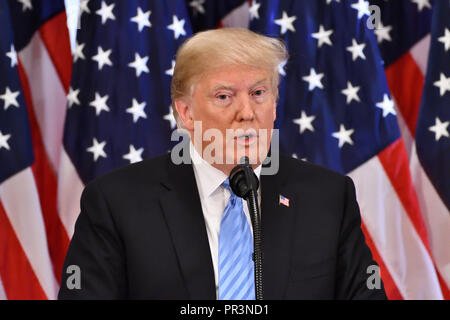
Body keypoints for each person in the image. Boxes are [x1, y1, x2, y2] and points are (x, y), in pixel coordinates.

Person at [58, 28, 387, 300]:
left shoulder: (327, 197)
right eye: (224, 97)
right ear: (186, 112)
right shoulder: (116, 203)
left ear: (274, 103)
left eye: (258, 93)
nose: (246, 112)